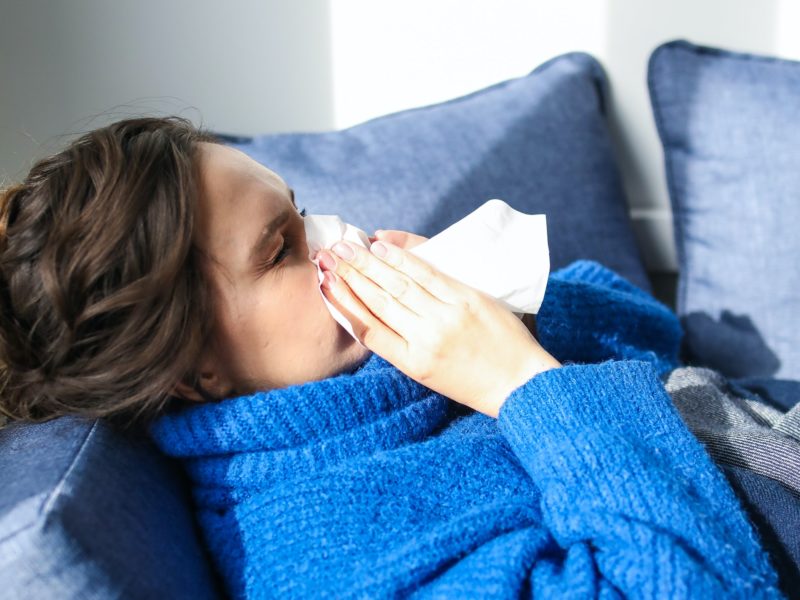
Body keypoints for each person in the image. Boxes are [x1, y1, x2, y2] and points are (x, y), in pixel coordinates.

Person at [0, 117, 784, 597]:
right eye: (282, 249)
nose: (337, 234)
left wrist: (505, 305)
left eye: (302, 211)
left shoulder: (382, 367)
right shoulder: (319, 552)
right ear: (194, 369)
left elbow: (655, 336)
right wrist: (519, 382)